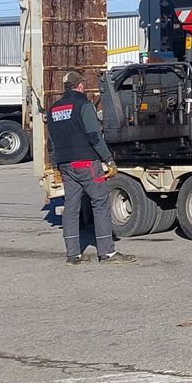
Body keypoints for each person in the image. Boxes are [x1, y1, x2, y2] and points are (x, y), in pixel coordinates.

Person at [48, 69, 121, 264]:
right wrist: (109, 160)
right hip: (87, 163)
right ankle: (106, 252)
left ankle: (73, 254)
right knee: (100, 202)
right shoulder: (84, 105)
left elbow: (52, 142)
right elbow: (94, 136)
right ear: (80, 85)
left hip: (66, 165)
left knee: (71, 206)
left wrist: (56, 166)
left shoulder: (53, 108)